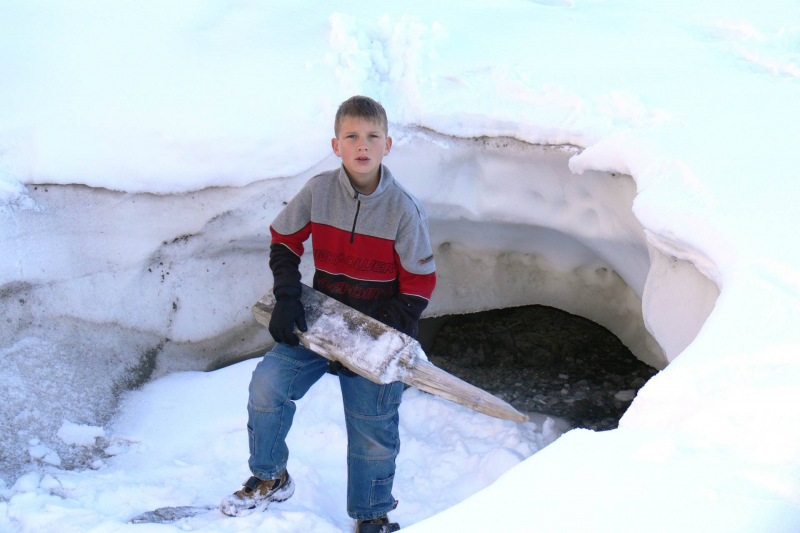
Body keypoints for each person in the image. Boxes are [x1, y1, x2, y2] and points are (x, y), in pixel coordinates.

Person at [220, 95, 437, 533]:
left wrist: (371, 344)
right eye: (351, 136)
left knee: (372, 429)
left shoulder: (403, 210)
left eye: (372, 136)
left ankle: (372, 514)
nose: (362, 145)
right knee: (267, 385)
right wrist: (287, 297)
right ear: (336, 145)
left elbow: (419, 284)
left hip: (378, 330)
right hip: (321, 321)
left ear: (388, 145)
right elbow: (284, 239)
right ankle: (270, 476)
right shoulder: (319, 191)